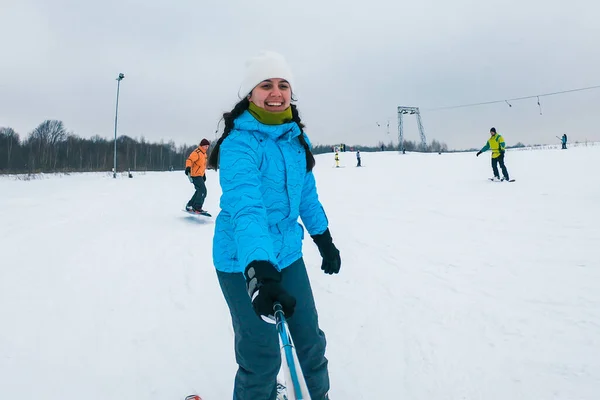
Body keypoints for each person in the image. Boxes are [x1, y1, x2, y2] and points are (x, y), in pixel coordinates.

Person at [207, 50, 341, 400]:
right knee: (263, 355)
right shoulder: (238, 144)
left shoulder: (296, 140)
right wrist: (259, 269)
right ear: (250, 94)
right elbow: (247, 208)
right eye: (265, 85)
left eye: (283, 84)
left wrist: (323, 238)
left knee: (310, 340)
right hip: (242, 261)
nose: (276, 92)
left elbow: (307, 197)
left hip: (287, 254)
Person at [185, 138, 210, 213]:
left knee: (199, 190)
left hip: (199, 175)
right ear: (201, 146)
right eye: (205, 146)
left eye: (207, 146)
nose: (207, 147)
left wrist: (203, 174)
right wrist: (188, 167)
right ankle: (197, 207)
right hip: (195, 175)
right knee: (203, 191)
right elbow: (189, 160)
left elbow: (201, 165)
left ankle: (190, 205)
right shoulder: (197, 152)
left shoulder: (204, 154)